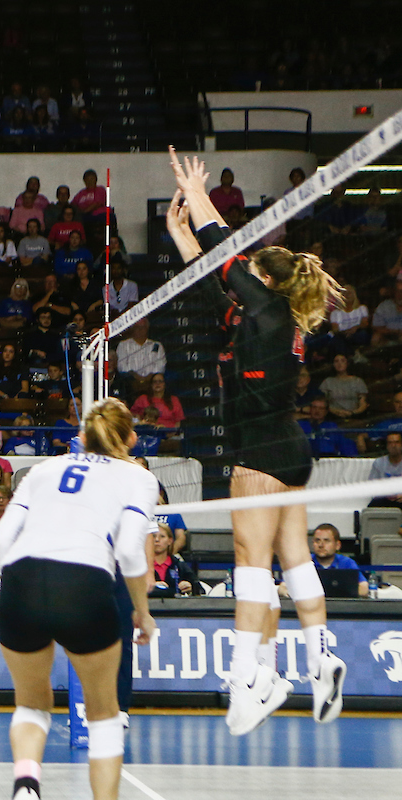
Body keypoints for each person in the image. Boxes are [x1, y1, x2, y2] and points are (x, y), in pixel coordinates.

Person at [166, 148, 346, 732]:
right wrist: (179, 234)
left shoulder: (264, 304)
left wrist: (197, 195)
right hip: (291, 450)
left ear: (262, 281)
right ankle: (320, 658)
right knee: (293, 562)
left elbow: (223, 254)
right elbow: (210, 280)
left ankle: (249, 680)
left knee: (249, 564)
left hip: (261, 452)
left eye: (250, 278)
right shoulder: (275, 318)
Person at [0, 397, 156, 800]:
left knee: (31, 704)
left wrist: (17, 587)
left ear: (82, 436)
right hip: (84, 582)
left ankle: (26, 785)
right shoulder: (138, 478)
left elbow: (0, 537)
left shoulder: (45, 468)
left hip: (22, 577)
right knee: (103, 714)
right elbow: (132, 551)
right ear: (131, 438)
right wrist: (142, 611)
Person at [306, 524, 368, 597]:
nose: (321, 545)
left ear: (337, 545)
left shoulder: (347, 563)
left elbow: (364, 589)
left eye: (326, 541)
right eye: (317, 541)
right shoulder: (305, 562)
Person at [148, 523, 197, 597]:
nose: (157, 540)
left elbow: (200, 590)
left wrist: (190, 587)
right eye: (153, 536)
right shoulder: (140, 566)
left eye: (162, 536)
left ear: (170, 541)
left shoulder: (179, 565)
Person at [318, 353, 367, 419]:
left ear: (347, 363)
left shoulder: (357, 381)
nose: (339, 364)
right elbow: (322, 403)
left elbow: (363, 403)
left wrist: (352, 413)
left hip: (354, 416)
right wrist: (336, 412)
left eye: (342, 361)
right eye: (336, 361)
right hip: (333, 416)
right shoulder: (327, 382)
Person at [367, 433, 402, 510]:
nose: (393, 445)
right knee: (371, 508)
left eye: (396, 442)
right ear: (386, 446)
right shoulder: (379, 463)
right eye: (390, 443)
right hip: (384, 499)